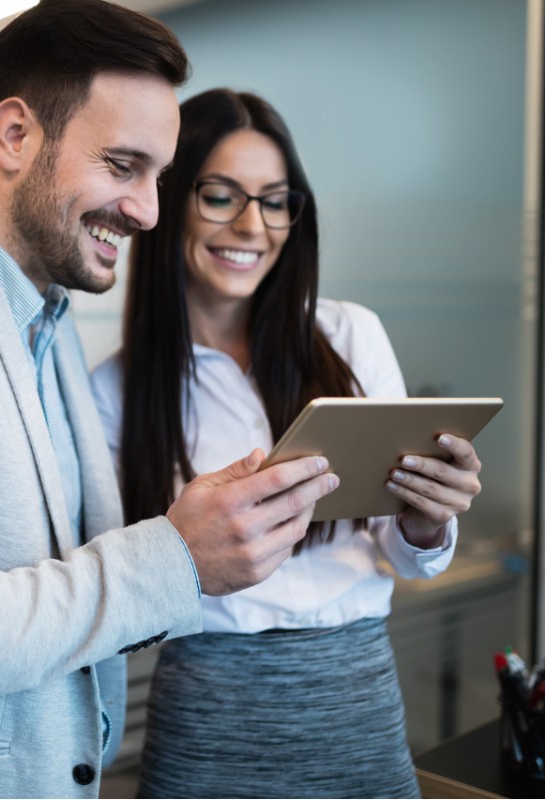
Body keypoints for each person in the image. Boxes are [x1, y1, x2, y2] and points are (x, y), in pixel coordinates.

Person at [0, 5, 341, 799]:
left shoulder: (43, 325)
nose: (150, 211)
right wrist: (175, 557)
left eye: (158, 176)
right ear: (15, 135)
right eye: (123, 166)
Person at [90, 88, 484, 799]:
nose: (252, 224)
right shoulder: (113, 392)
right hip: (207, 714)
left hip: (355, 700)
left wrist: (427, 522)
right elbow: (117, 598)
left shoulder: (350, 336)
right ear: (169, 199)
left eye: (276, 200)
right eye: (221, 196)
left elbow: (403, 556)